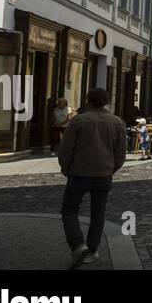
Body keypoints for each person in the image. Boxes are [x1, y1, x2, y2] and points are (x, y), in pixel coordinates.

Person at [57, 87, 125, 269]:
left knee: (69, 211)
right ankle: (92, 251)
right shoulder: (117, 122)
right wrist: (112, 168)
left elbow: (66, 148)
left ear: (88, 101)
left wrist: (65, 167)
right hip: (103, 174)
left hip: (79, 173)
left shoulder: (79, 121)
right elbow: (120, 153)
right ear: (106, 101)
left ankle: (78, 245)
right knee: (98, 213)